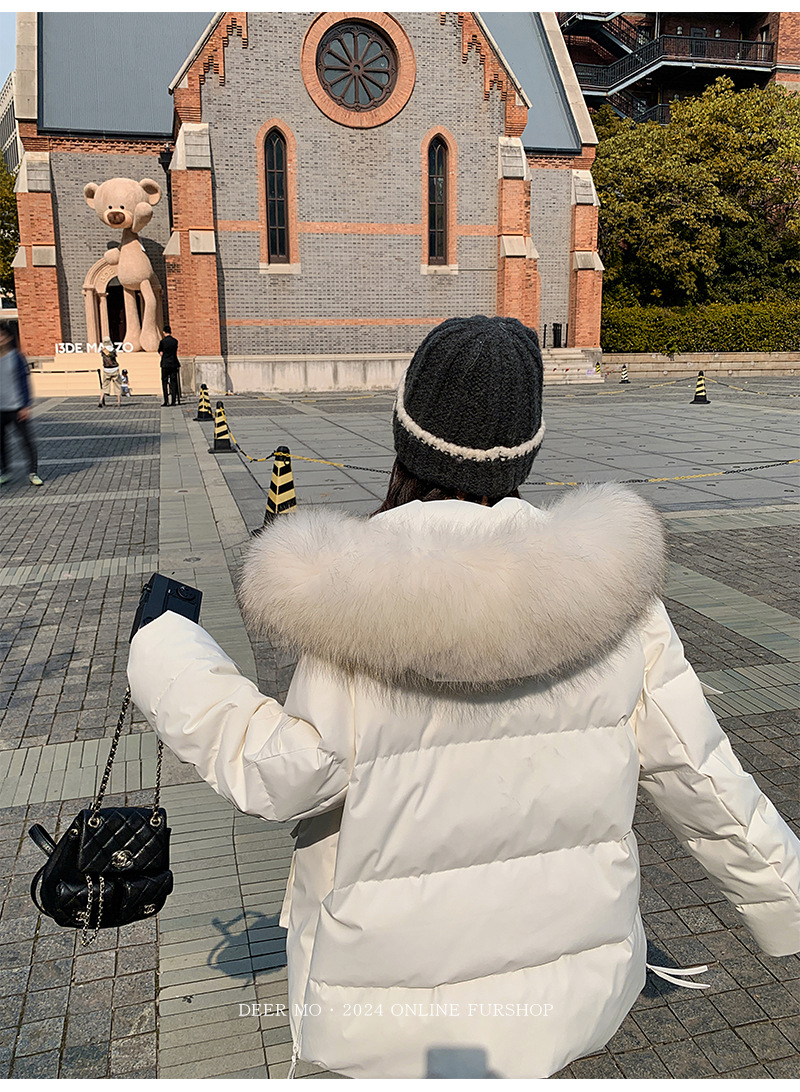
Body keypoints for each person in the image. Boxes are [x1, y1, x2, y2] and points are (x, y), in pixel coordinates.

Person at [128, 316, 800, 1080]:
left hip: (389, 1000)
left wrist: (167, 649)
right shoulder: (616, 593)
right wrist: (784, 894)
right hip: (565, 985)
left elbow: (285, 773)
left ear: (406, 434)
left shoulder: (355, 601)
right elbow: (701, 771)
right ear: (529, 444)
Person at [0, 322, 42, 487]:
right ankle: (5, 471)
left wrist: (25, 405)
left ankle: (33, 472)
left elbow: (25, 382)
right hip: (1, 408)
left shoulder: (17, 357)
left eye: (2, 335)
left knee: (26, 441)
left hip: (17, 407)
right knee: (1, 443)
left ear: (9, 337)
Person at [158, 325, 181, 406]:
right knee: (173, 382)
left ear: (164, 332)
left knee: (164, 382)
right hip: (174, 363)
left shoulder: (162, 342)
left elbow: (160, 352)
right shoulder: (175, 341)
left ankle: (166, 400)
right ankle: (173, 401)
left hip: (165, 364)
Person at [98, 340, 122, 407]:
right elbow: (114, 356)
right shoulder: (113, 350)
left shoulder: (103, 350)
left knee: (105, 385)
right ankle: (119, 402)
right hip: (115, 369)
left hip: (106, 369)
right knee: (117, 385)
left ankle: (100, 400)